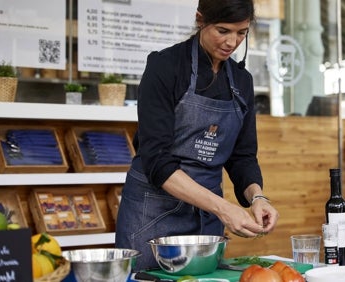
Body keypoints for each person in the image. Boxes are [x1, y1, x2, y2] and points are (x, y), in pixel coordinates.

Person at [116, 0, 279, 271]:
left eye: (241, 33)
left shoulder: (242, 82)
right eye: (223, 30)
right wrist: (224, 209)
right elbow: (156, 161)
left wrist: (258, 198)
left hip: (207, 217)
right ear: (200, 19)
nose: (232, 42)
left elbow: (242, 156)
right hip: (153, 213)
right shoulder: (165, 67)